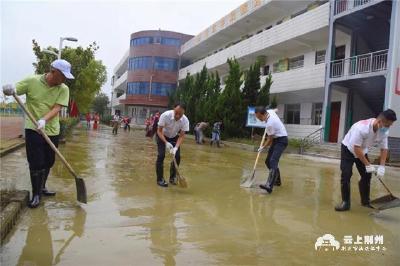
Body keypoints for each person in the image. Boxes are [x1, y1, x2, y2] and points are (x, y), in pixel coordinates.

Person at [2, 59, 73, 208]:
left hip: (52, 129)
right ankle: (36, 194)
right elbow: (14, 90)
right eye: (63, 75)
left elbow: (57, 108)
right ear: (53, 72)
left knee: (49, 161)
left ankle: (42, 186)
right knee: (36, 162)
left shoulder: (63, 88)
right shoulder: (32, 81)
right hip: (33, 128)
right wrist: (8, 89)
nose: (64, 79)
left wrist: (44, 120)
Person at [335, 109, 397, 212]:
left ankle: (365, 201)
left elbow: (384, 149)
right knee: (346, 174)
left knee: (367, 175)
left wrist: (382, 166)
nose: (388, 128)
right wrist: (368, 165)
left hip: (362, 150)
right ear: (379, 121)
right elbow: (356, 148)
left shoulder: (383, 132)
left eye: (390, 125)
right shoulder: (361, 128)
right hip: (348, 149)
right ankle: (345, 203)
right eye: (387, 125)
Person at [255, 106, 288, 193]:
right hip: (277, 139)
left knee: (273, 160)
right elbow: (275, 110)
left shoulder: (270, 124)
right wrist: (276, 110)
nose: (259, 119)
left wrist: (262, 147)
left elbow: (270, 140)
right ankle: (277, 181)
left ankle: (269, 185)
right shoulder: (269, 112)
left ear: (263, 114)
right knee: (268, 161)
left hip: (282, 140)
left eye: (259, 117)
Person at [156, 103, 189, 187]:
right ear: (173, 109)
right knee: (161, 156)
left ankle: (172, 177)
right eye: (176, 113)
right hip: (162, 136)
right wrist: (166, 143)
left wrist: (176, 148)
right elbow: (159, 131)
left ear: (184, 113)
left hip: (174, 137)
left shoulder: (185, 120)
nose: (177, 116)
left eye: (180, 114)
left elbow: (181, 136)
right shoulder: (165, 115)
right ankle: (160, 179)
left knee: (177, 157)